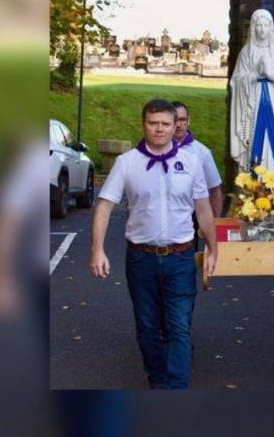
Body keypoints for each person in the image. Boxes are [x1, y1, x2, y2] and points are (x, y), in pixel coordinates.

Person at [89, 99, 218, 389]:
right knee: (147, 328)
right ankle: (158, 380)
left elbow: (203, 208)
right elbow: (104, 206)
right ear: (143, 124)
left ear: (176, 126)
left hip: (181, 257)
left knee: (179, 327)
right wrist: (97, 249)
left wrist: (213, 247)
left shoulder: (193, 162)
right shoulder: (127, 163)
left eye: (165, 124)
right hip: (141, 259)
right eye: (153, 123)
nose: (159, 129)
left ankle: (174, 389)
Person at [229, 8, 274, 173]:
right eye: (258, 25)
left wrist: (271, 74)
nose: (262, 29)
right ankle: (251, 188)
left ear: (270, 27)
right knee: (253, 140)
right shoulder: (246, 53)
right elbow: (236, 81)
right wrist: (253, 75)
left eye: (265, 25)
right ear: (253, 27)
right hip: (252, 105)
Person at [171, 100, 223, 217]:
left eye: (182, 120)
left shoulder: (202, 152)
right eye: (175, 120)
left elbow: (215, 189)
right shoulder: (156, 150)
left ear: (189, 121)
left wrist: (216, 222)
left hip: (192, 214)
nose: (178, 125)